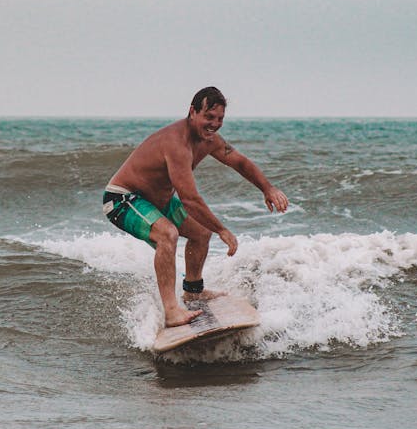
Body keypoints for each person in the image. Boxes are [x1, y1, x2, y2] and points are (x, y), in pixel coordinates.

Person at [103, 86, 288, 327]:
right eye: (208, 117)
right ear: (192, 112)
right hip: (122, 200)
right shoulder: (177, 144)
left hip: (159, 200)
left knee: (201, 234)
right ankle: (171, 311)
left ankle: (193, 291)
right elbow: (190, 199)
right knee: (167, 233)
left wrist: (267, 188)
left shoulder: (208, 140)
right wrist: (223, 229)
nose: (214, 124)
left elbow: (239, 162)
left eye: (220, 119)